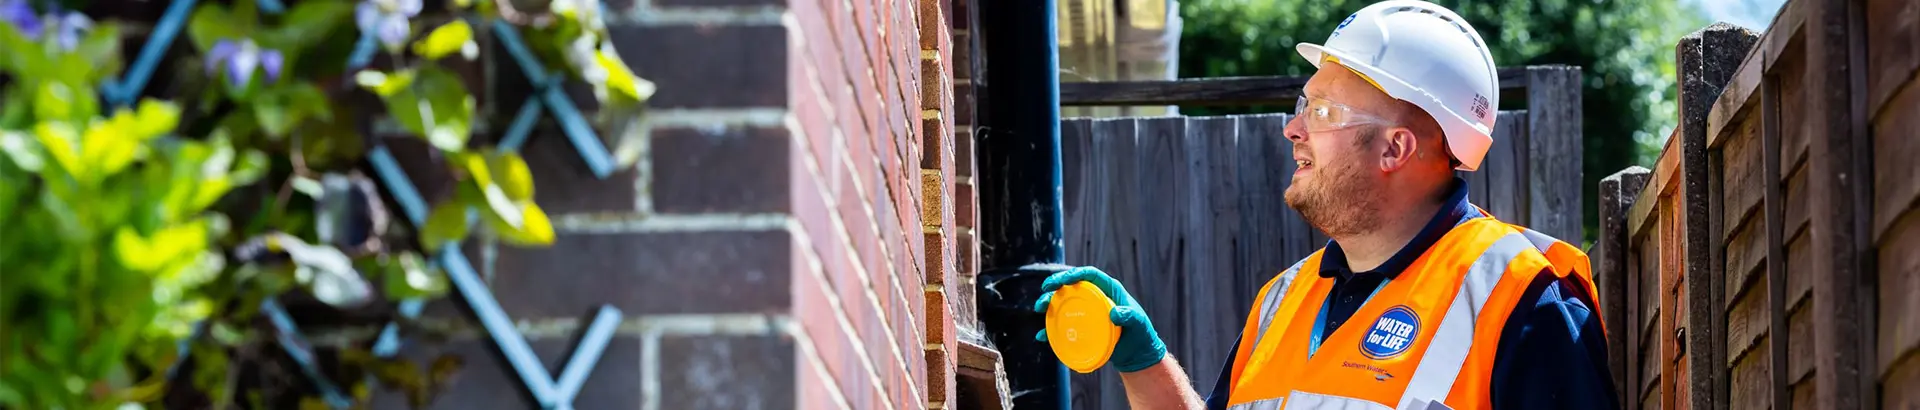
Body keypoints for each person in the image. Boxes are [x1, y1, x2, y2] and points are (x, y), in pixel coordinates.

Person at [1031, 1, 1619, 409]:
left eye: (1322, 112)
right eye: (1303, 104)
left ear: (1396, 147)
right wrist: (1144, 359)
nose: (1293, 128)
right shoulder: (1282, 301)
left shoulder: (1522, 301)